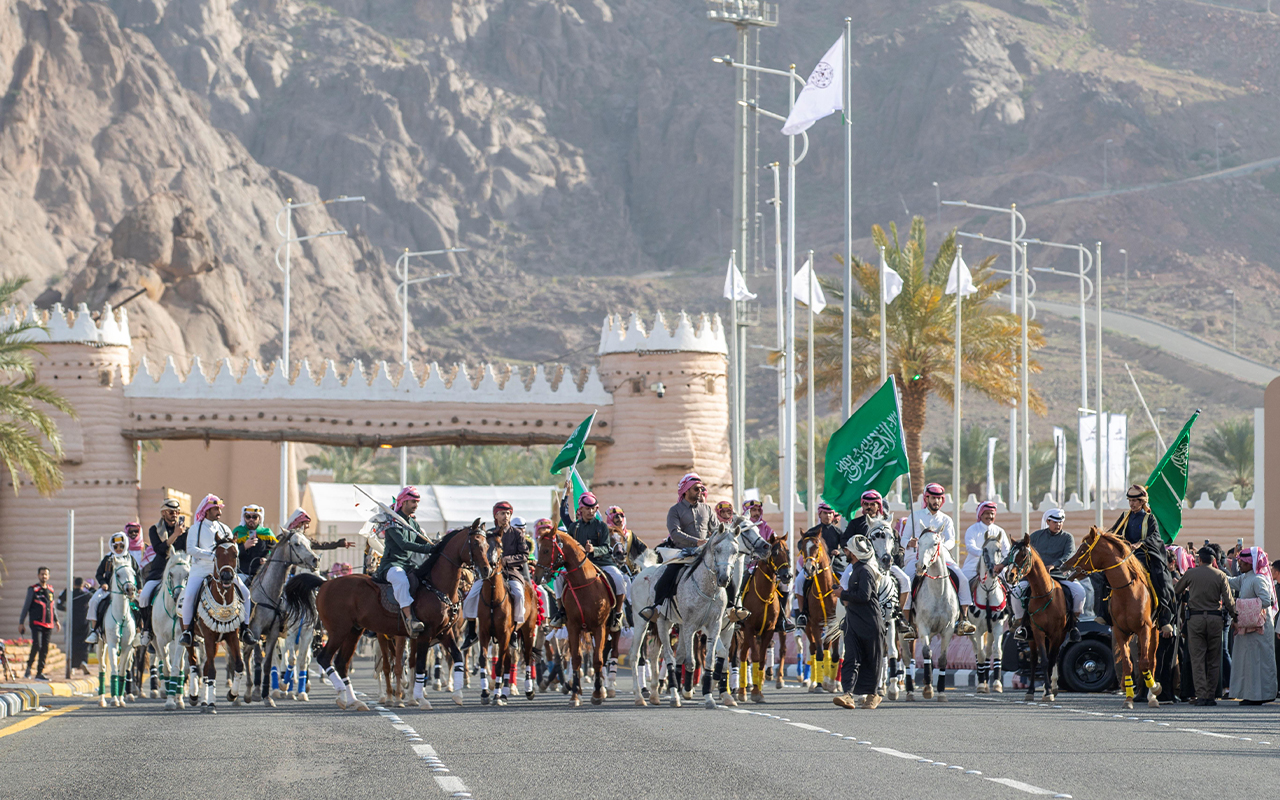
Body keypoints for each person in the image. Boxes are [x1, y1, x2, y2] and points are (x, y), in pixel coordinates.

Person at [901, 483, 976, 636]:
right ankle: (907, 623)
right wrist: (909, 542)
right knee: (906, 580)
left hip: (942, 558)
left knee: (962, 579)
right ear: (926, 498)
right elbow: (903, 538)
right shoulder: (915, 516)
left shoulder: (946, 519)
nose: (936, 502)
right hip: (917, 558)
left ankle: (964, 619)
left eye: (939, 499)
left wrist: (938, 547)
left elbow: (951, 540)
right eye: (933, 498)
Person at [179, 495, 252, 646]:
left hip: (223, 570)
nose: (218, 511)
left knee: (245, 593)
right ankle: (187, 631)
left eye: (219, 508)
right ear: (206, 511)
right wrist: (212, 555)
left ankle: (245, 629)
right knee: (190, 596)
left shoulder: (225, 528)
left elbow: (233, 548)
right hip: (201, 569)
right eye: (215, 509)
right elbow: (191, 549)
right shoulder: (195, 528)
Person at [1108, 484, 1176, 637]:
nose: (1132, 504)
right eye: (1130, 501)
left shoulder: (1149, 518)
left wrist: (1140, 543)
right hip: (1124, 557)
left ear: (1142, 502)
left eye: (1136, 501)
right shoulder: (1125, 516)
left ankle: (1164, 618)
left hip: (1143, 556)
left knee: (1161, 578)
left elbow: (1155, 537)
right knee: (1101, 574)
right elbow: (1113, 532)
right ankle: (1104, 613)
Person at [1173, 546, 1235, 705]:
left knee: (1198, 658)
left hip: (1196, 619)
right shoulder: (1221, 575)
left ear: (1199, 559)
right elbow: (1229, 601)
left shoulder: (1191, 573)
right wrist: (1236, 617)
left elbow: (1177, 590)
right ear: (1214, 560)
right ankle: (1211, 696)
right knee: (1214, 659)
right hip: (1215, 619)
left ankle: (1201, 695)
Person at [558, 489, 628, 631]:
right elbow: (564, 516)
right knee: (559, 578)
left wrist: (593, 550)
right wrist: (566, 495)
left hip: (602, 563)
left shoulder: (602, 526)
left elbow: (606, 548)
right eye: (587, 509)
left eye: (593, 509)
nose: (590, 512)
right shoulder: (574, 527)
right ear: (581, 510)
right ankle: (561, 613)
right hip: (579, 566)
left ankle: (618, 614)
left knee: (620, 579)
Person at [462, 501, 526, 648]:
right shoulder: (487, 534)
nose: (506, 516)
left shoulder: (517, 534)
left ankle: (514, 631)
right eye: (502, 513)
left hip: (511, 573)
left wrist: (505, 560)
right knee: (470, 596)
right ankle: (471, 633)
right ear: (495, 515)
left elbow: (523, 555)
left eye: (508, 513)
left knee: (519, 594)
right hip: (488, 574)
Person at [373, 487, 434, 637]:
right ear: (404, 502)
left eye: (417, 502)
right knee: (401, 580)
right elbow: (404, 544)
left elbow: (422, 540)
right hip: (391, 566)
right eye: (413, 502)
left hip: (408, 565)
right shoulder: (391, 522)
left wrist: (436, 546)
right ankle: (410, 619)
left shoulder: (413, 524)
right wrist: (429, 549)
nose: (416, 505)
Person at [833, 536, 884, 710]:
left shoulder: (866, 571)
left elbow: (864, 596)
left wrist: (843, 594)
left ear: (853, 553)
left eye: (847, 550)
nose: (845, 552)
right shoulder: (853, 570)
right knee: (850, 658)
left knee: (872, 659)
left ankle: (874, 694)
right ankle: (848, 694)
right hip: (852, 622)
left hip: (870, 622)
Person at [1020, 508, 1085, 643]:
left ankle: (1073, 625)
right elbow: (1023, 553)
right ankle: (1021, 624)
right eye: (1055, 522)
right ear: (1048, 521)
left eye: (1061, 522)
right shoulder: (1036, 536)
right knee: (1016, 591)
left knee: (1080, 592)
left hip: (1058, 575)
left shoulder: (1067, 537)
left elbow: (1069, 554)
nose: (1058, 525)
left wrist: (1054, 565)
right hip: (1036, 578)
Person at [1227, 547, 1277, 705]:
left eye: (1242, 562)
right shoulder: (1246, 577)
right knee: (1248, 663)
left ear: (1251, 563)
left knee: (1257, 663)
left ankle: (1258, 696)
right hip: (1248, 627)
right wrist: (1215, 573)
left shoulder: (1258, 579)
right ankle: (1252, 695)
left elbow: (1266, 601)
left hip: (1258, 628)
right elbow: (1229, 582)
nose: (1240, 564)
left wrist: (1240, 606)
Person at [138, 498, 186, 646]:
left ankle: (192, 631)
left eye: (177, 512)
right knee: (144, 596)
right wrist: (175, 535)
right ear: (164, 513)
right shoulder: (154, 530)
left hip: (180, 573)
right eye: (171, 512)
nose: (175, 515)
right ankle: (147, 629)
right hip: (159, 571)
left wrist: (180, 533)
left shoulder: (186, 530)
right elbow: (159, 549)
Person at [797, 503, 849, 626]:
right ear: (820, 514)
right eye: (825, 513)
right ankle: (802, 614)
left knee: (849, 580)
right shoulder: (812, 532)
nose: (828, 516)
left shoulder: (838, 531)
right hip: (814, 567)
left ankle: (849, 611)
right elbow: (800, 544)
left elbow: (846, 547)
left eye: (830, 513)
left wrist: (839, 551)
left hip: (835, 565)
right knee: (799, 581)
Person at [85, 532, 141, 645]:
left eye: (121, 546)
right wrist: (103, 583)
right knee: (93, 601)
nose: (119, 549)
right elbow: (99, 574)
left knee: (143, 603)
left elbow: (137, 574)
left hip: (129, 592)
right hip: (109, 590)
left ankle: (140, 632)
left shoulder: (130, 559)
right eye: (116, 547)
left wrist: (139, 588)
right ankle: (94, 631)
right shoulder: (108, 558)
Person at [18, 566, 61, 680]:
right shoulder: (33, 589)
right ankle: (28, 669)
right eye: (42, 574)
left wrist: (56, 621)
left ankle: (39, 673)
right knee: (37, 645)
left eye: (46, 574)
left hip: (48, 623)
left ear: (49, 576)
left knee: (45, 648)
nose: (44, 576)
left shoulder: (50, 590)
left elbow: (52, 607)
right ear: (38, 575)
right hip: (36, 622)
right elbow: (26, 607)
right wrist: (21, 622)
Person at [234, 504, 277, 583]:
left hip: (262, 574)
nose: (251, 519)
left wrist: (267, 560)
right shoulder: (237, 532)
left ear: (259, 519)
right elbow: (230, 553)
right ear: (244, 518)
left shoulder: (267, 533)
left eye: (254, 517)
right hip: (241, 573)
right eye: (248, 517)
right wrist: (244, 547)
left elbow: (276, 551)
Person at [57, 577, 91, 669]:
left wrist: (66, 609)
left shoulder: (68, 593)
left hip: (71, 621)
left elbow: (58, 604)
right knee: (84, 643)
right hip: (84, 622)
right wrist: (89, 588)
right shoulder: (86, 595)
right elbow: (96, 597)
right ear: (82, 584)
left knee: (72, 642)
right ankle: (83, 661)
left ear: (74, 584)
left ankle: (73, 665)